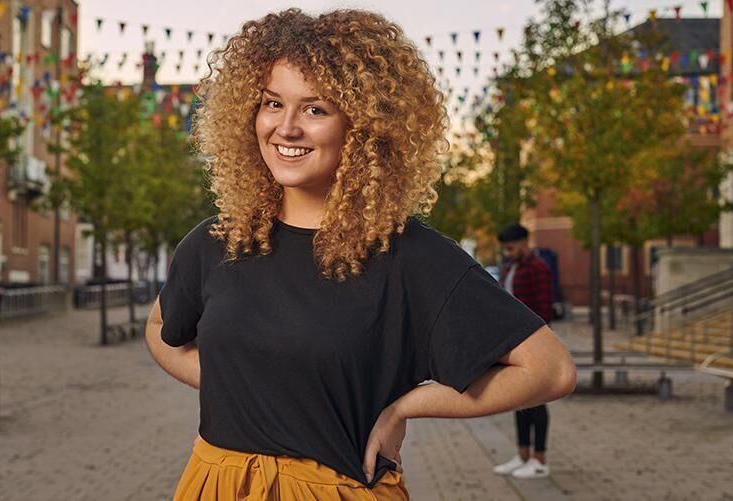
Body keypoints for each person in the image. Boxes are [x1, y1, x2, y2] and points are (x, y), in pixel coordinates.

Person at [145, 9, 577, 499]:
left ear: (365, 127)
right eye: (271, 103)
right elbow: (161, 329)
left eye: (315, 109)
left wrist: (408, 405)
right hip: (216, 483)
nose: (286, 128)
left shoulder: (412, 256)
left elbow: (550, 369)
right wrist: (242, 387)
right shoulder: (217, 241)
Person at [492, 223, 557, 480]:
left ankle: (539, 460)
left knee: (537, 401)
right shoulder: (511, 268)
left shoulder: (539, 269)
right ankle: (522, 456)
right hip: (513, 343)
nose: (507, 253)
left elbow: (544, 309)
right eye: (505, 249)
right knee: (520, 402)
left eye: (511, 248)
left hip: (533, 343)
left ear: (523, 242)